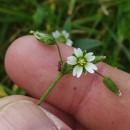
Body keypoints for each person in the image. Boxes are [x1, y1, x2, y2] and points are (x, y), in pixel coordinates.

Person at [1, 35, 130, 130]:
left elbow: (81, 64)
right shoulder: (76, 61)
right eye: (81, 61)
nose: (82, 62)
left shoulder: (83, 65)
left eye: (83, 62)